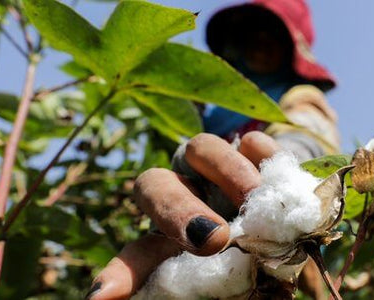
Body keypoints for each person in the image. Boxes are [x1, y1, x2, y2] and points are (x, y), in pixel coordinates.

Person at [86, 0, 341, 299]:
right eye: (248, 36)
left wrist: (275, 179)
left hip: (294, 272)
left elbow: (305, 144)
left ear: (290, 47)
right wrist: (194, 173)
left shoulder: (301, 96)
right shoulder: (215, 115)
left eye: (270, 36)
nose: (258, 45)